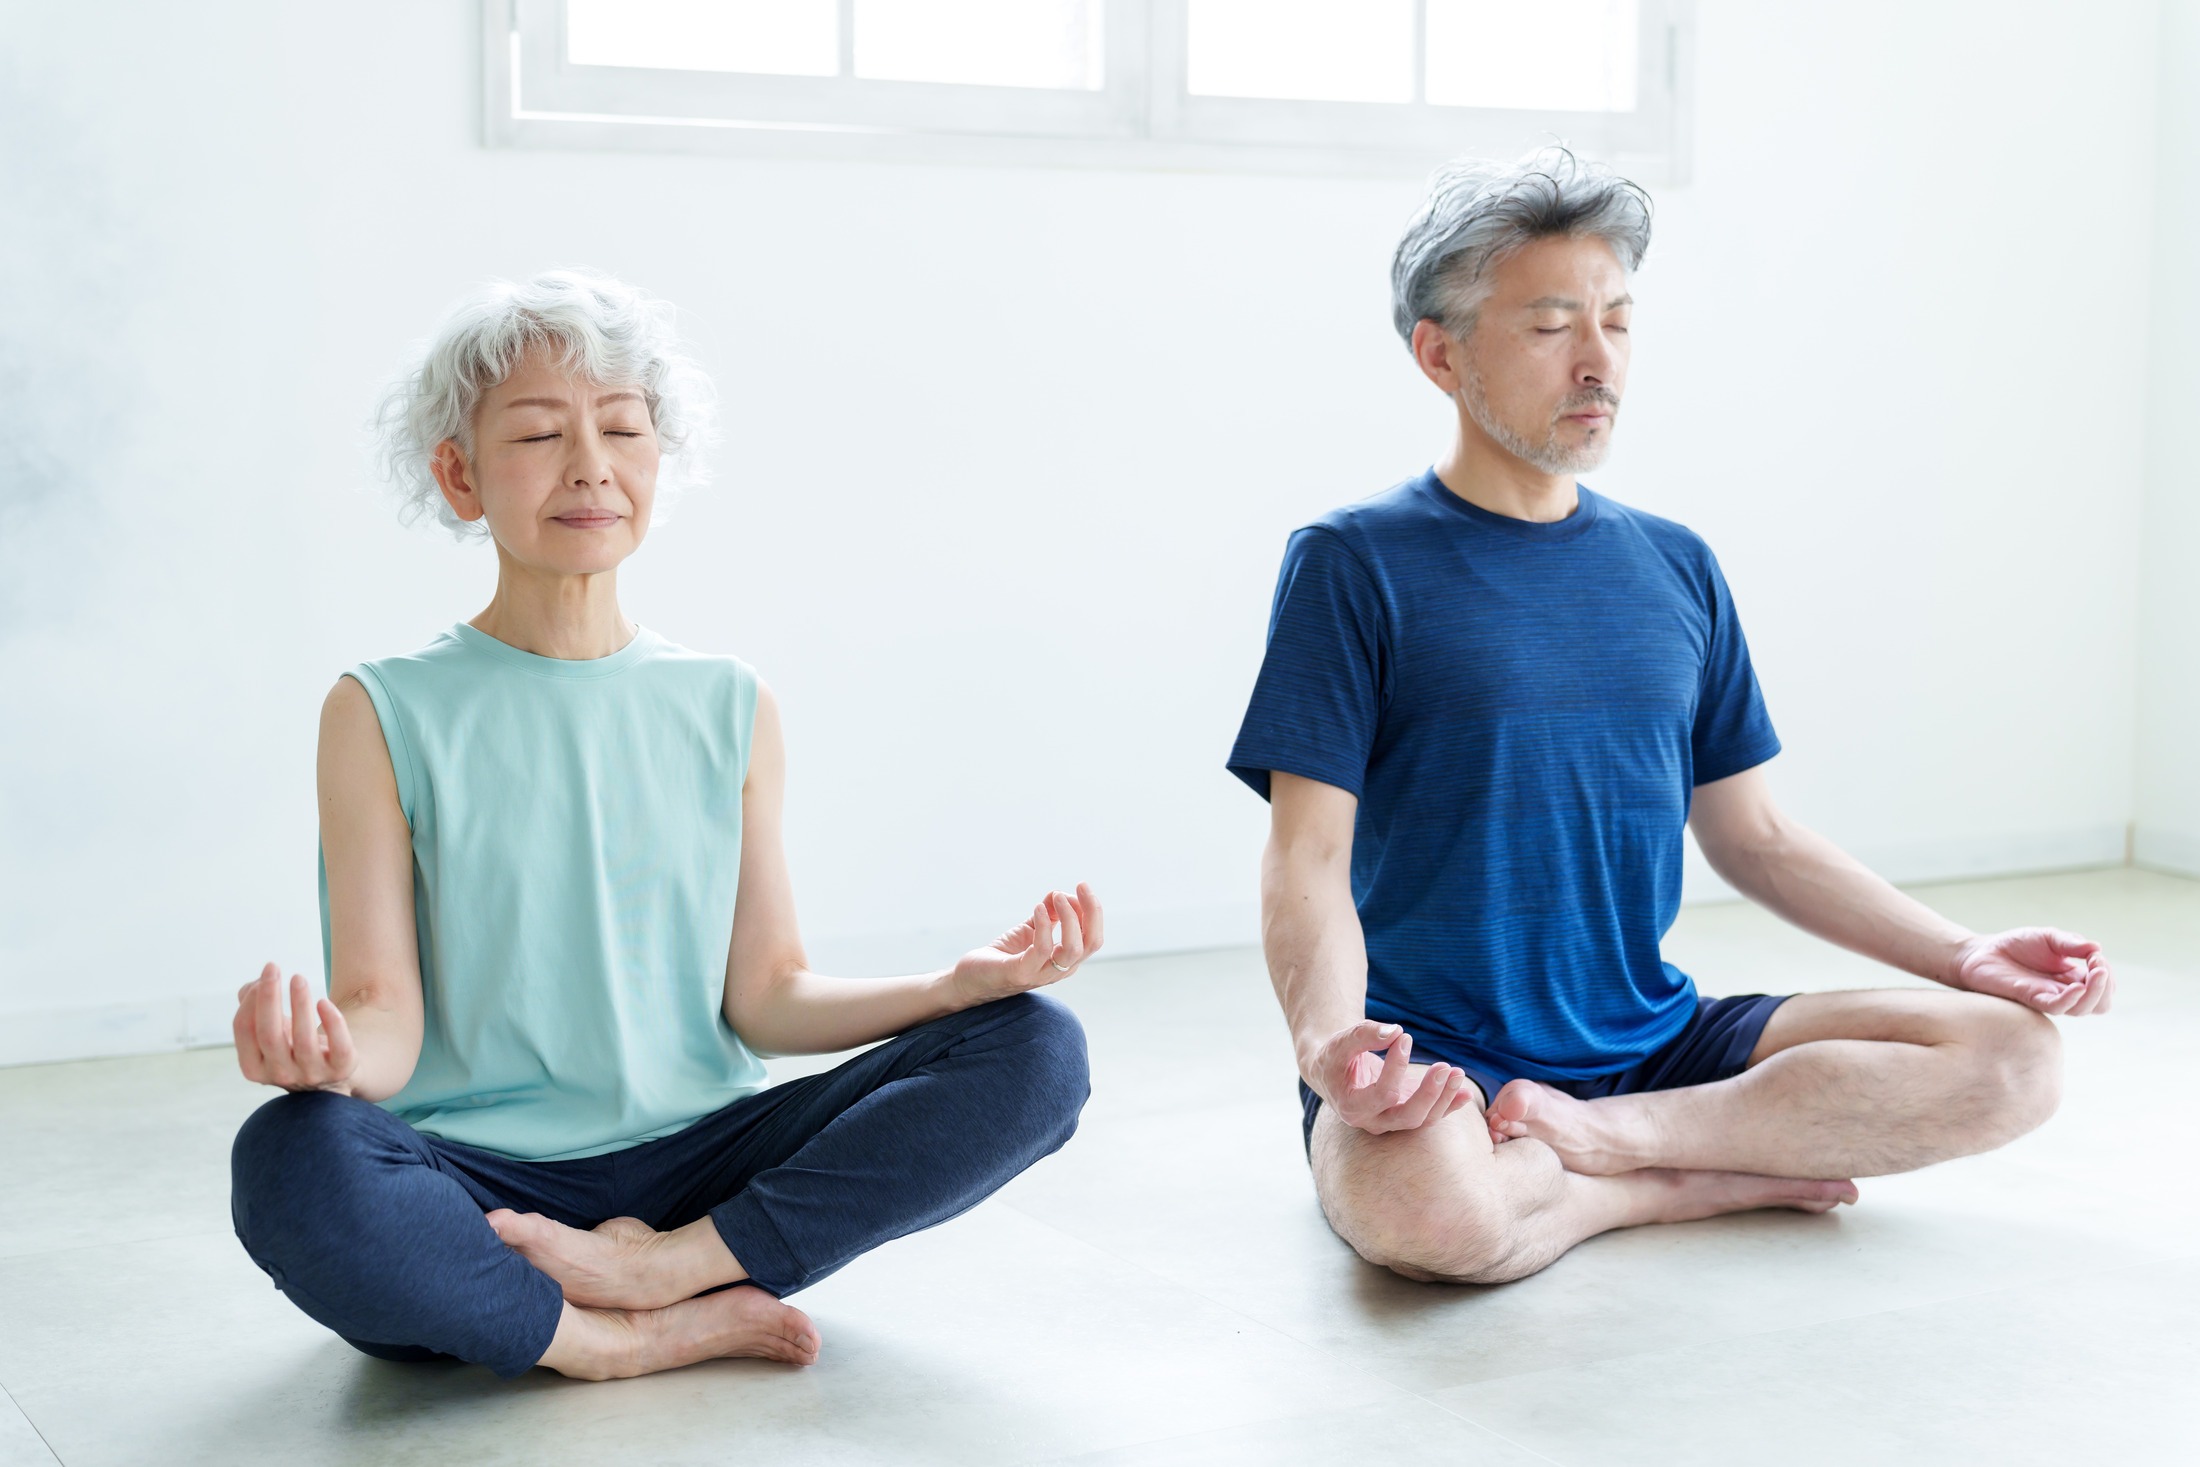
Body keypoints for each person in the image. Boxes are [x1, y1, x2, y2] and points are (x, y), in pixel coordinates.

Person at [1228, 148, 2113, 1285]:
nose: (1597, 362)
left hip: (1659, 1044)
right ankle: (1679, 1186)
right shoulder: (1351, 564)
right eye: (1551, 326)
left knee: (2011, 1059)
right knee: (1428, 1218)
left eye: (1617, 322)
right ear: (1439, 355)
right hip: (1441, 1056)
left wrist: (1964, 953)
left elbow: (1759, 838)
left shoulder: (1674, 566)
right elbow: (1305, 857)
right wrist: (1327, 1047)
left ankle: (1613, 1152)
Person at [228, 270, 1099, 1379]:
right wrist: (330, 1059)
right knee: (293, 1156)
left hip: (704, 1167)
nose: (590, 463)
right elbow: (385, 1016)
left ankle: (666, 1273)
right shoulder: (379, 709)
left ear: (655, 461)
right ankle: (606, 1342)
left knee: (1034, 1048)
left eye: (623, 430)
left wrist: (953, 989)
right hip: (485, 1181)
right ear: (459, 475)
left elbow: (766, 998)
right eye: (540, 434)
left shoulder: (728, 703)